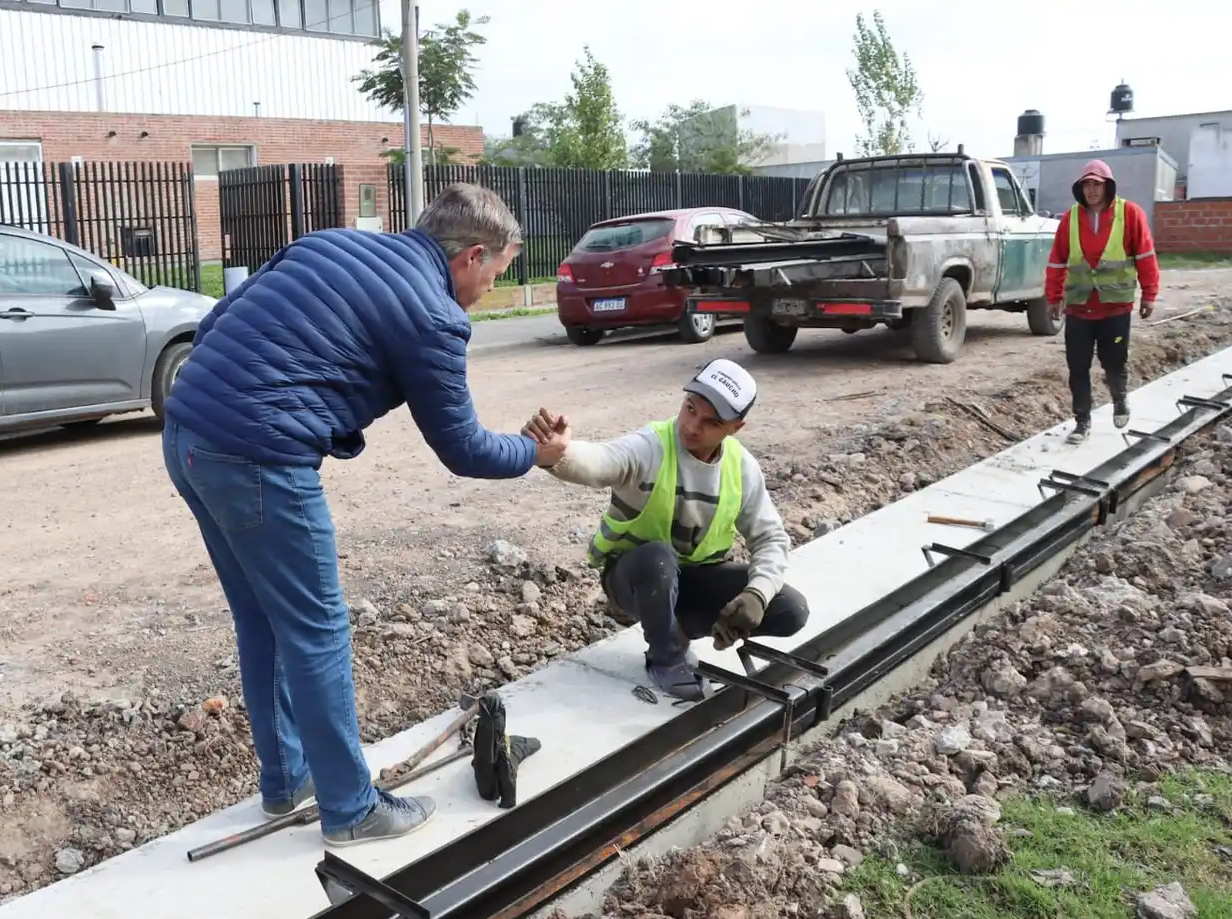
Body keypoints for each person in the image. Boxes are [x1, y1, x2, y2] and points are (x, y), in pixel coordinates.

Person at [160, 184, 569, 847]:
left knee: (264, 620)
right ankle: (351, 810)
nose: (490, 290)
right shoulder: (432, 315)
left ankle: (287, 780)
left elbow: (219, 323)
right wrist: (535, 451)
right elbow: (463, 449)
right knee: (317, 629)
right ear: (470, 257)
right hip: (259, 457)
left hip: (187, 435)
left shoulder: (330, 242)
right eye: (495, 274)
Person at [522, 359, 809, 702]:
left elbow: (770, 537)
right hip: (634, 578)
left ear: (736, 427)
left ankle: (677, 627)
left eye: (711, 422)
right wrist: (557, 453)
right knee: (658, 559)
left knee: (790, 609)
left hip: (694, 582)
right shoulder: (653, 445)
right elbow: (602, 461)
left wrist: (757, 595)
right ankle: (666, 658)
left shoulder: (742, 467)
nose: (691, 426)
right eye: (690, 409)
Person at [1045, 159, 1160, 444]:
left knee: (1113, 362)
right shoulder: (1070, 219)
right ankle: (1082, 422)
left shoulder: (1129, 214)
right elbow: (1057, 261)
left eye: (1097, 184)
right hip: (1079, 308)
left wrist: (1150, 293)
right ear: (1080, 188)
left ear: (1107, 186)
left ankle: (1119, 399)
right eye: (1087, 184)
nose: (1092, 190)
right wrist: (1054, 297)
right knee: (1077, 367)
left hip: (1115, 307)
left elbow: (1146, 256)